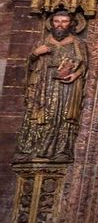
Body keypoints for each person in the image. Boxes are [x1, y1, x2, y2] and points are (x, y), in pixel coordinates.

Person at [17, 11, 89, 162]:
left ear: (71, 24)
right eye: (56, 21)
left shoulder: (77, 43)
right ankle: (31, 149)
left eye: (64, 21)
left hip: (66, 86)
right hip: (43, 84)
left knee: (62, 117)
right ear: (51, 24)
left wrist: (75, 75)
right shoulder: (42, 43)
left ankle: (61, 151)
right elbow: (27, 65)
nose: (60, 25)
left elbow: (84, 66)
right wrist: (35, 54)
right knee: (39, 116)